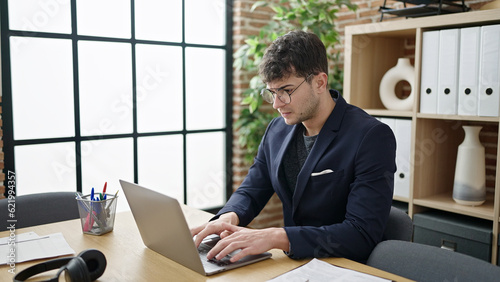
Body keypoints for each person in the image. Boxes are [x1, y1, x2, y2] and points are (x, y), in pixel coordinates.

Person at [191, 30, 396, 263]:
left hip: (345, 266)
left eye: (286, 91)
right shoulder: (277, 130)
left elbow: (361, 234)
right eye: (272, 93)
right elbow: (252, 189)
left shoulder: (371, 136)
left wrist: (278, 236)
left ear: (319, 82)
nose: (277, 104)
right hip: (297, 265)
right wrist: (228, 216)